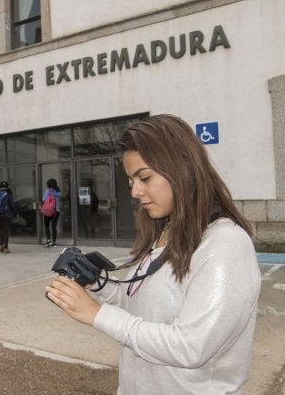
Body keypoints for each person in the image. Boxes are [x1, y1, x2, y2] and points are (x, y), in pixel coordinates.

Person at [45, 114, 261, 394]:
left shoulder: (225, 244)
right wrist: (97, 282)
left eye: (144, 177)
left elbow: (191, 347)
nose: (135, 191)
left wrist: (97, 315)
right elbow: (141, 304)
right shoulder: (165, 229)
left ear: (183, 169)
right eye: (131, 180)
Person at [0, 181, 18, 253]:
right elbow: (12, 205)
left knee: (1, 230)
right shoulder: (8, 194)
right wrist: (16, 213)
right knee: (6, 231)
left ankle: (0, 246)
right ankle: (6, 248)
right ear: (8, 187)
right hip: (7, 215)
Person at [42, 178, 61, 247]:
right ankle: (54, 242)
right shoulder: (58, 191)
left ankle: (48, 241)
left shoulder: (48, 190)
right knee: (54, 227)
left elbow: (44, 199)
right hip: (56, 211)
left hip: (48, 211)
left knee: (46, 226)